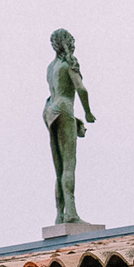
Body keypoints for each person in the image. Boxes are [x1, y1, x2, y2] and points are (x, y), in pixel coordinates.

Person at [43, 29, 95, 225]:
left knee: (58, 167)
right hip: (64, 108)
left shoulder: (50, 67)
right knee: (69, 165)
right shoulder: (69, 63)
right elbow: (80, 88)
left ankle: (59, 214)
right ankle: (71, 213)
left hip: (49, 110)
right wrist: (88, 112)